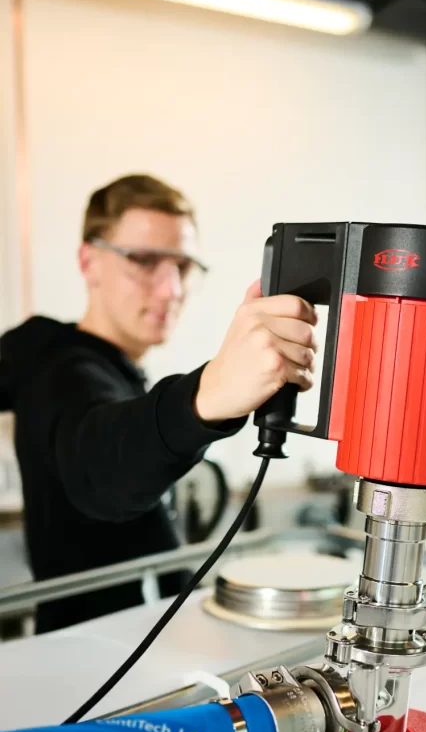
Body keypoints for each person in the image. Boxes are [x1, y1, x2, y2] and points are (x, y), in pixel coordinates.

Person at [0, 174, 316, 633]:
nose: (171, 289)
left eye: (183, 266)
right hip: (97, 657)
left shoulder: (112, 371)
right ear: (89, 261)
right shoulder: (62, 371)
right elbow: (102, 466)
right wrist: (208, 394)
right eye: (144, 261)